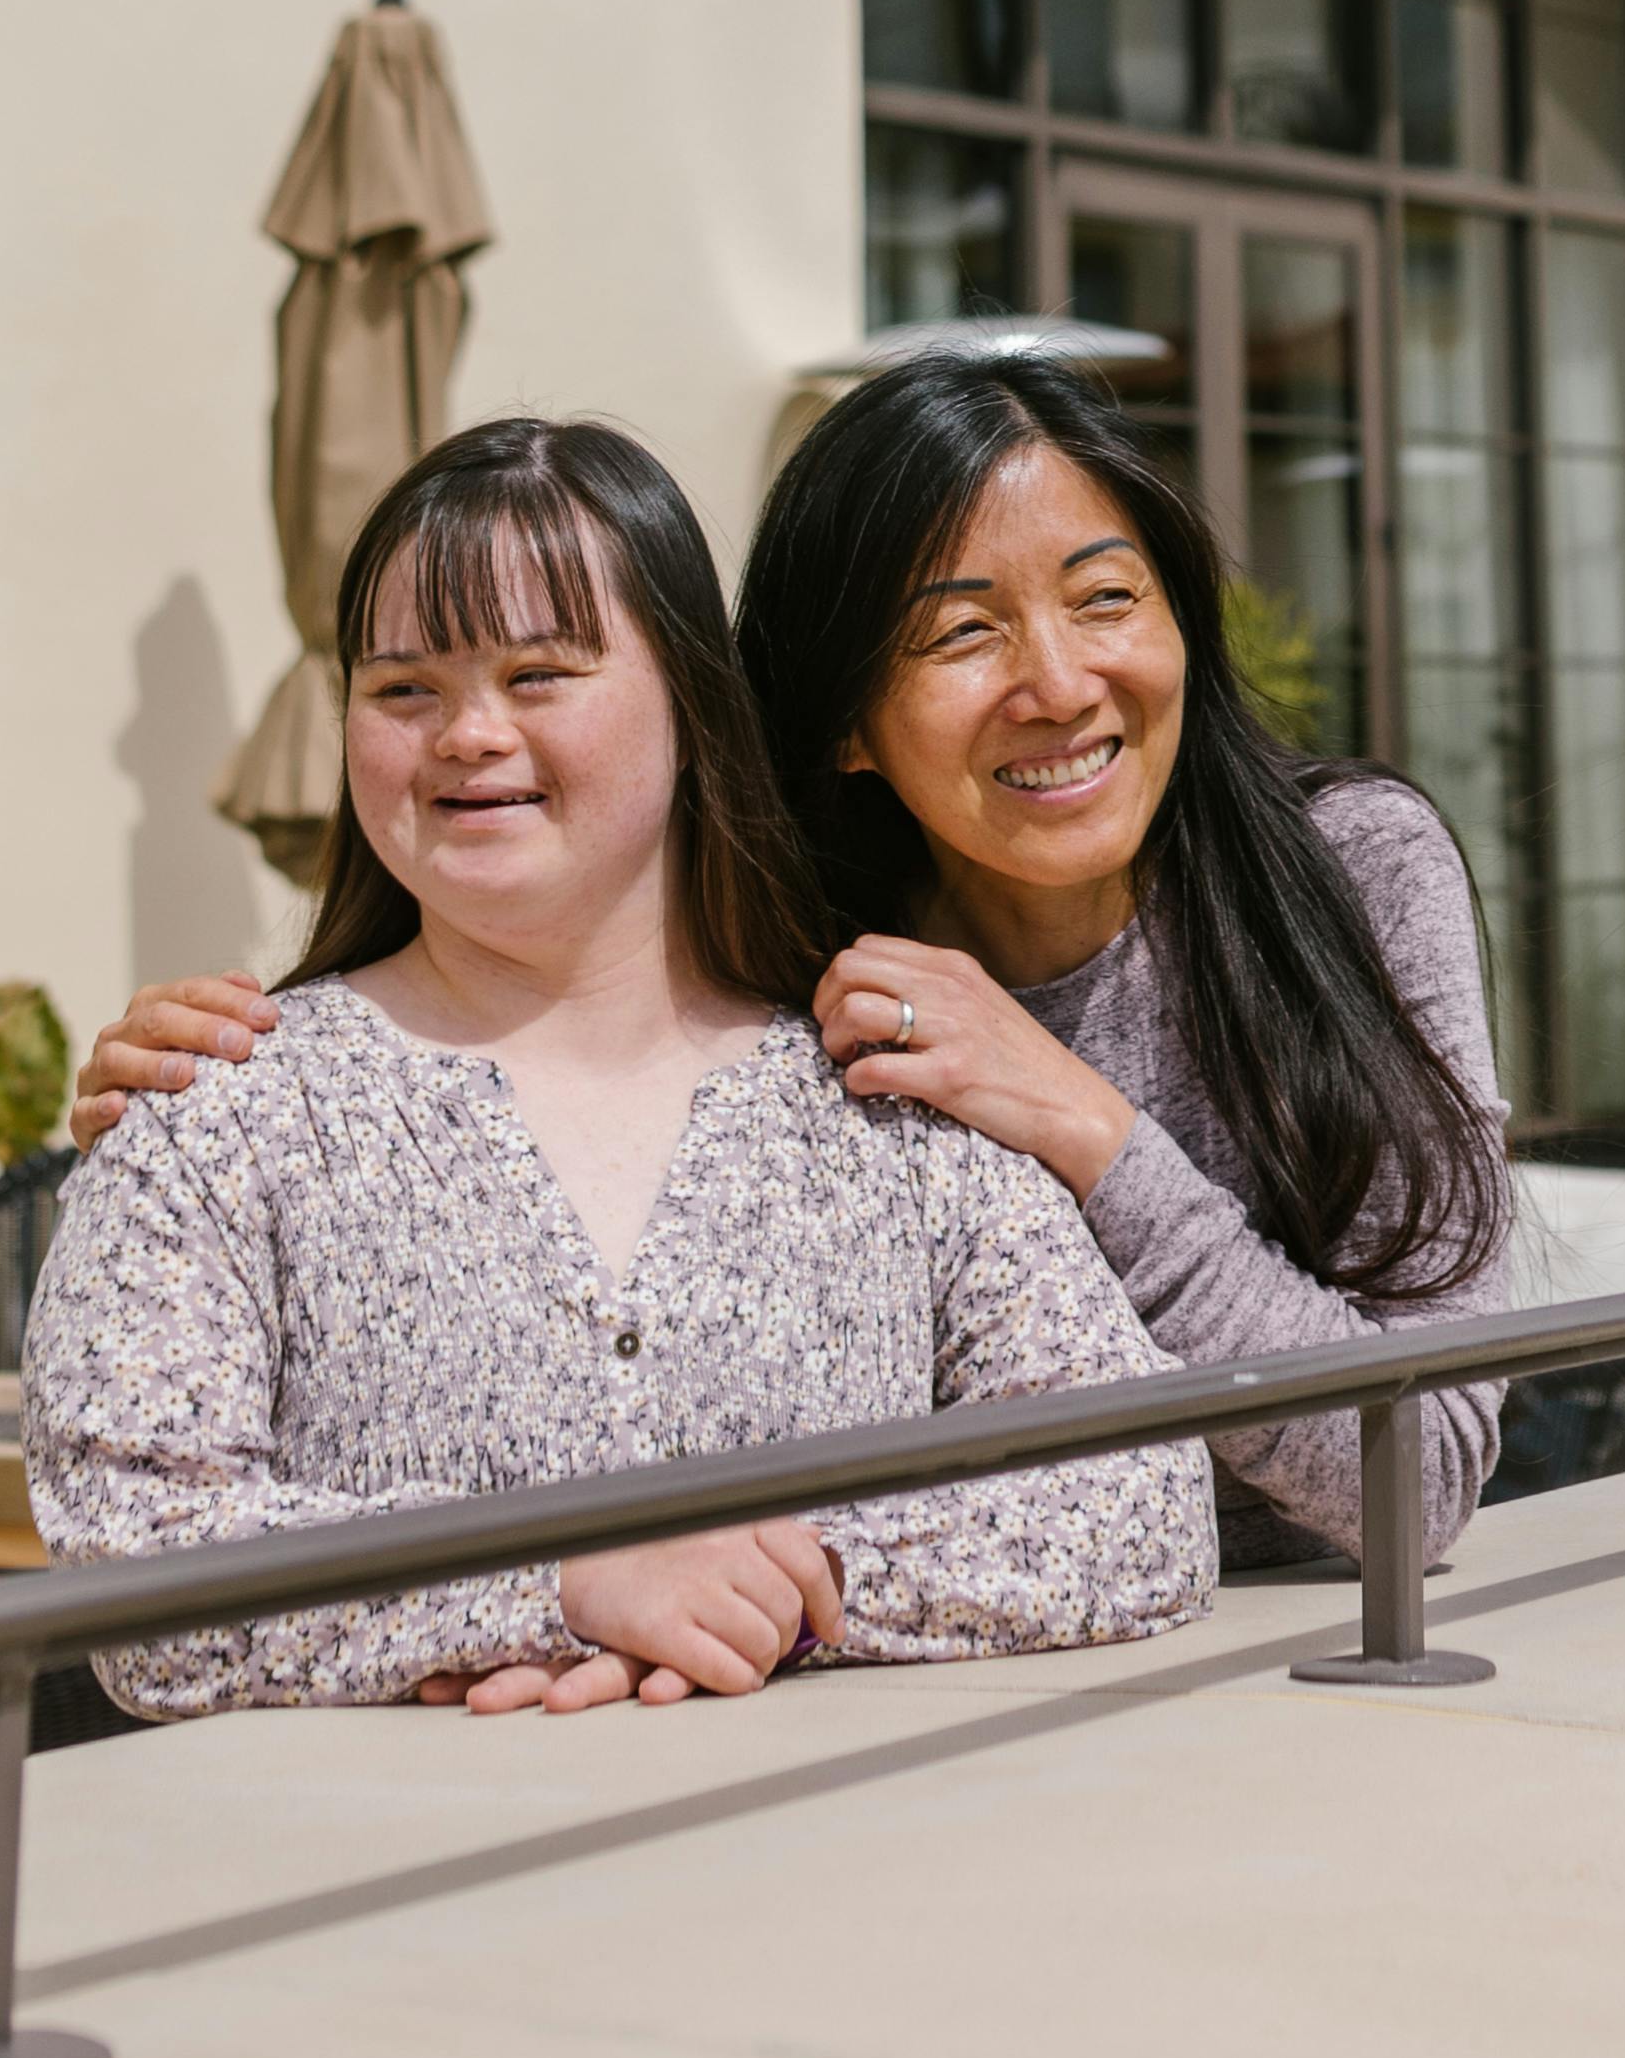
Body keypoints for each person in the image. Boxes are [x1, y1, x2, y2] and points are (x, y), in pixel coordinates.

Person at [74, 357, 1515, 1573]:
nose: (1060, 684)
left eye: (1105, 599)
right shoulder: (803, 967)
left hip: (1318, 1629)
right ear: (842, 727)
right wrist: (201, 1093)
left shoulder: (1350, 873)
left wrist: (1081, 1126)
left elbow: (1425, 1473)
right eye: (962, 631)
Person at [23, 414, 1213, 1722]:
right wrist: (559, 1581)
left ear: (693, 708)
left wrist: (781, 1581)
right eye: (403, 689)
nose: (469, 734)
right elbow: (135, 1561)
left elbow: (1143, 1499)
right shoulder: (212, 1114)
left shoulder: (898, 1099)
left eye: (540, 674)